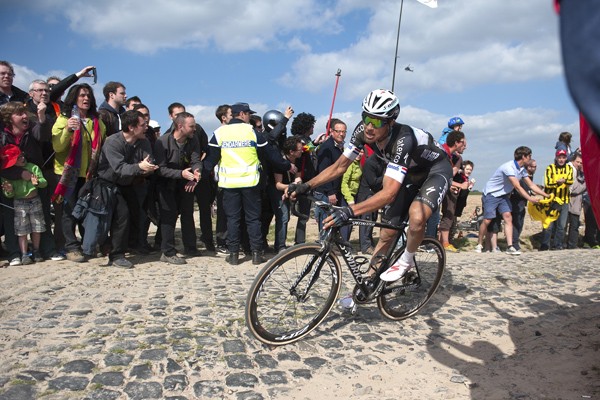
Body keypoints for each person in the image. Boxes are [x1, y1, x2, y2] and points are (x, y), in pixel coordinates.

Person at [290, 89, 454, 284]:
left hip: (435, 170)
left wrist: (349, 211)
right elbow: (340, 166)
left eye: (376, 121)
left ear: (390, 122)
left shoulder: (404, 139)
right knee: (387, 232)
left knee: (417, 217)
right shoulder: (363, 130)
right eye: (365, 117)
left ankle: (407, 260)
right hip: (410, 173)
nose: (368, 126)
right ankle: (369, 281)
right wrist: (306, 186)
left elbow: (389, 194)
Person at [204, 102, 286, 265]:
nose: (249, 116)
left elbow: (210, 160)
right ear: (241, 114)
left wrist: (198, 175)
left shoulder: (220, 133)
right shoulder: (252, 132)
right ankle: (256, 254)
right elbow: (270, 155)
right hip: (251, 183)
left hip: (229, 185)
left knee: (232, 219)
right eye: (248, 113)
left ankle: (233, 255)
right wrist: (287, 165)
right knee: (253, 219)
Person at [95, 110, 158, 268]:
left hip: (129, 184)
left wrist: (146, 167)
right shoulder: (113, 142)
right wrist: (140, 167)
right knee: (115, 218)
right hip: (108, 184)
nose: (146, 127)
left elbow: (149, 161)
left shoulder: (143, 141)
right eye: (143, 125)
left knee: (133, 215)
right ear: (131, 127)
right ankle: (115, 254)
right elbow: (120, 168)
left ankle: (123, 248)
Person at [52, 83, 106, 262]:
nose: (86, 99)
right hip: (67, 174)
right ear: (74, 98)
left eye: (89, 96)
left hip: (89, 174)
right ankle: (71, 247)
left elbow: (101, 147)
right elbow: (58, 146)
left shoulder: (97, 123)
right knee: (69, 211)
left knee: (87, 210)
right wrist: (67, 129)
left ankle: (87, 244)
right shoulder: (63, 119)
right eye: (82, 95)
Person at [474, 146, 548, 255]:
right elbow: (517, 187)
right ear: (523, 157)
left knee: (508, 217)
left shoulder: (522, 170)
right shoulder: (509, 167)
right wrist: (530, 199)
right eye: (529, 156)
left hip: (503, 195)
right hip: (491, 194)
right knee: (487, 220)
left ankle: (510, 247)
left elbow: (531, 184)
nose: (531, 158)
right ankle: (479, 243)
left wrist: (545, 194)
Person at [153, 111, 202, 265]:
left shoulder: (193, 140)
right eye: (191, 126)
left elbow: (196, 160)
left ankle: (191, 247)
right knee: (168, 216)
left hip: (186, 184)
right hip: (166, 184)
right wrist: (181, 174)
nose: (194, 129)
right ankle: (167, 251)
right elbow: (160, 169)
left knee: (188, 214)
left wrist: (197, 172)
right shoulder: (162, 141)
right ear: (180, 126)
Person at [0, 145, 47, 265]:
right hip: (19, 202)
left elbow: (43, 182)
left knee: (37, 227)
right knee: (22, 230)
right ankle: (24, 254)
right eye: (17, 158)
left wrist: (37, 183)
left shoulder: (33, 168)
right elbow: (9, 194)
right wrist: (9, 190)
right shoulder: (8, 174)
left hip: (35, 200)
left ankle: (36, 251)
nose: (21, 159)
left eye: (21, 156)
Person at [314, 119, 350, 239]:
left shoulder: (339, 147)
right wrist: (330, 192)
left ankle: (329, 248)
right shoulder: (327, 147)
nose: (341, 134)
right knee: (325, 223)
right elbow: (324, 171)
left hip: (334, 190)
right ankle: (322, 250)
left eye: (344, 132)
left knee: (332, 223)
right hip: (325, 192)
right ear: (331, 132)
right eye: (338, 131)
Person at [290, 112, 318, 244]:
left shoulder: (307, 140)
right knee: (303, 213)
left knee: (304, 213)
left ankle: (300, 239)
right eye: (312, 125)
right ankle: (299, 241)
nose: (313, 128)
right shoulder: (299, 140)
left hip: (307, 179)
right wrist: (317, 143)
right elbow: (306, 149)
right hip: (301, 179)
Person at [438, 130, 468, 252]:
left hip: (446, 185)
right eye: (464, 143)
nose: (466, 146)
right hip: (434, 185)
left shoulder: (457, 158)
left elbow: (449, 175)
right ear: (456, 142)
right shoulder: (440, 152)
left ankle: (443, 242)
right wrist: (459, 185)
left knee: (449, 213)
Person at [272, 136, 303, 252]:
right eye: (300, 149)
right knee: (283, 216)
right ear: (291, 152)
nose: (302, 151)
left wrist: (296, 184)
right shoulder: (280, 162)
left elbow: (298, 177)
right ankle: (280, 246)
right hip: (278, 191)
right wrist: (290, 186)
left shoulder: (299, 159)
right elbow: (278, 184)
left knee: (287, 217)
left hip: (291, 190)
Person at [540, 149, 574, 250]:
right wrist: (558, 182)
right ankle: (545, 244)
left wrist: (564, 181)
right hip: (552, 201)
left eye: (563, 157)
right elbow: (548, 183)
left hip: (564, 200)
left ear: (566, 158)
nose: (561, 159)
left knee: (562, 225)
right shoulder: (550, 168)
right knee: (548, 224)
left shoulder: (569, 168)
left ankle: (557, 244)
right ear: (556, 157)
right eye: (559, 157)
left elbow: (571, 180)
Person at [355, 151, 385, 255]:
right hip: (366, 195)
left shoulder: (381, 162)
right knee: (366, 221)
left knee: (372, 220)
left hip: (374, 195)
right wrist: (386, 177)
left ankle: (369, 242)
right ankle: (365, 246)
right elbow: (373, 182)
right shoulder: (370, 163)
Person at [510, 159, 537, 251]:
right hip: (516, 202)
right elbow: (518, 188)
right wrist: (529, 196)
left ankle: (515, 241)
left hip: (522, 202)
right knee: (517, 222)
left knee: (520, 223)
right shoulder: (522, 175)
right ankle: (514, 243)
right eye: (533, 166)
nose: (535, 168)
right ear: (528, 167)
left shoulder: (530, 176)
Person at [566, 152, 585, 249]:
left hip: (576, 202)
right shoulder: (571, 170)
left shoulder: (578, 171)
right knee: (571, 224)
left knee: (574, 224)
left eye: (581, 163)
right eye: (578, 162)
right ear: (572, 161)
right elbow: (573, 189)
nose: (579, 164)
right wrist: (586, 185)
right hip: (571, 201)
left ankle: (571, 244)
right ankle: (570, 245)